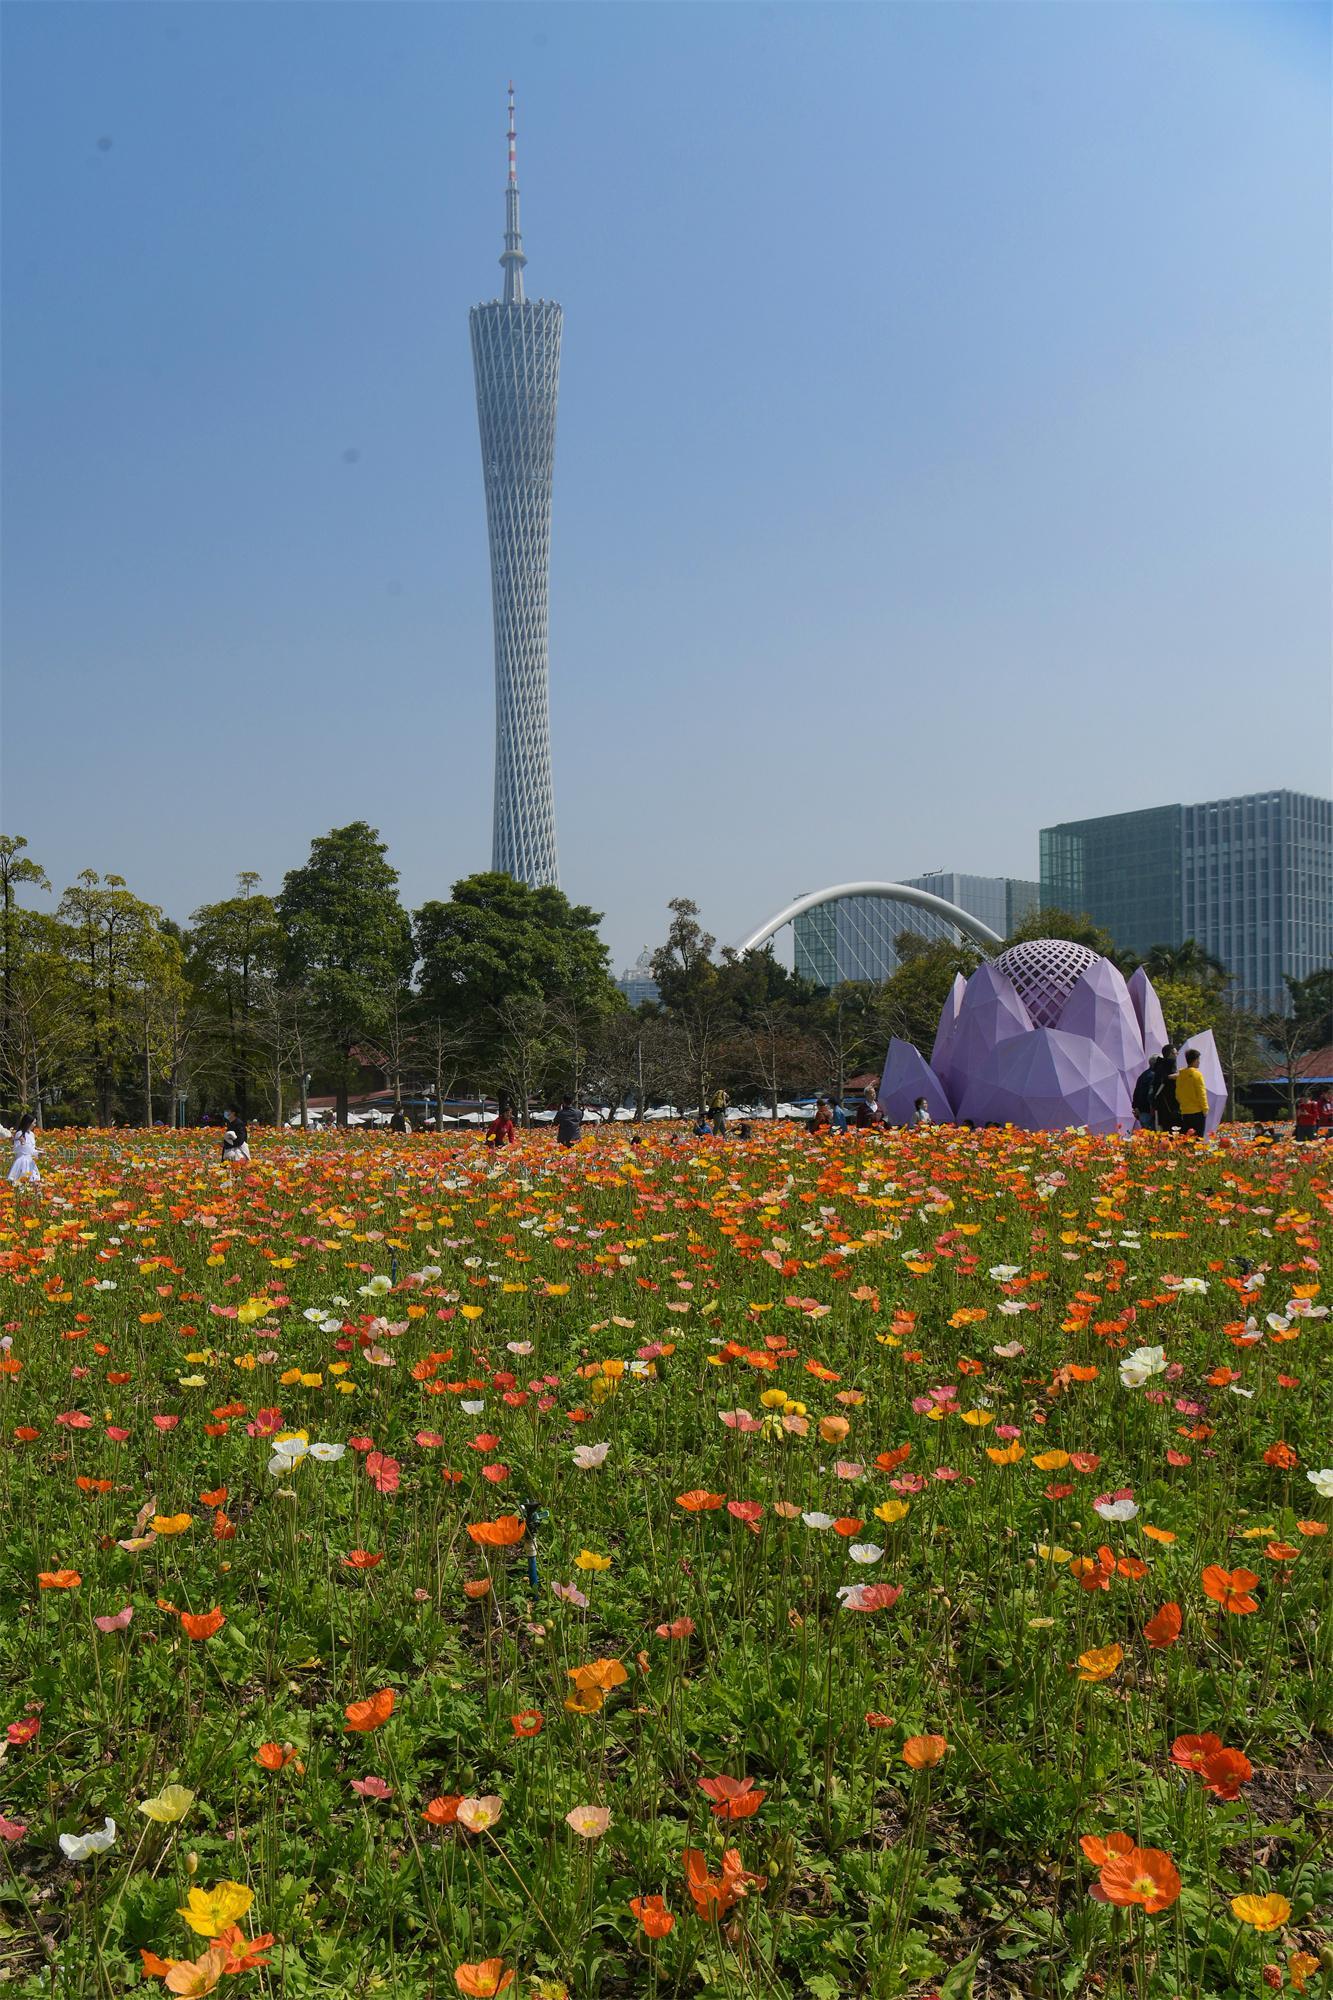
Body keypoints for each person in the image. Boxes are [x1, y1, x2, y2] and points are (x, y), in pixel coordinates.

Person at [1174, 1049, 1208, 1137]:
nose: (1199, 1062)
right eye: (1198, 1059)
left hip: (1185, 1112)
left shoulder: (1180, 1075)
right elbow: (1201, 1093)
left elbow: (1177, 1094)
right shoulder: (1197, 1074)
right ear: (1195, 1060)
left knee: (1188, 1139)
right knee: (1198, 1138)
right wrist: (1205, 1109)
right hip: (1197, 1112)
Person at [1152, 1047, 1180, 1133]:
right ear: (1170, 1054)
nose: (1177, 1055)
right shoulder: (1170, 1064)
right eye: (1176, 1053)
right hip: (1170, 1106)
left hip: (1161, 1106)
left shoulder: (1159, 1066)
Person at [8, 1114, 40, 1186]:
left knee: (33, 1180)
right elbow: (16, 1149)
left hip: (30, 1160)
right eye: (34, 1123)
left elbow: (31, 1148)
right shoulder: (19, 1133)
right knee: (22, 1180)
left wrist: (37, 1150)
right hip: (22, 1160)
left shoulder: (31, 1134)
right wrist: (22, 1143)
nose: (35, 1125)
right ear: (28, 1123)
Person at [1131, 1063, 1158, 1131]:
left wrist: (1135, 1107)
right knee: (1152, 1135)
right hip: (1149, 1112)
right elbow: (1151, 1095)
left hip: (1142, 1112)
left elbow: (1136, 1093)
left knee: (1146, 1135)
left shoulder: (1143, 1075)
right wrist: (1153, 1108)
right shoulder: (1153, 1075)